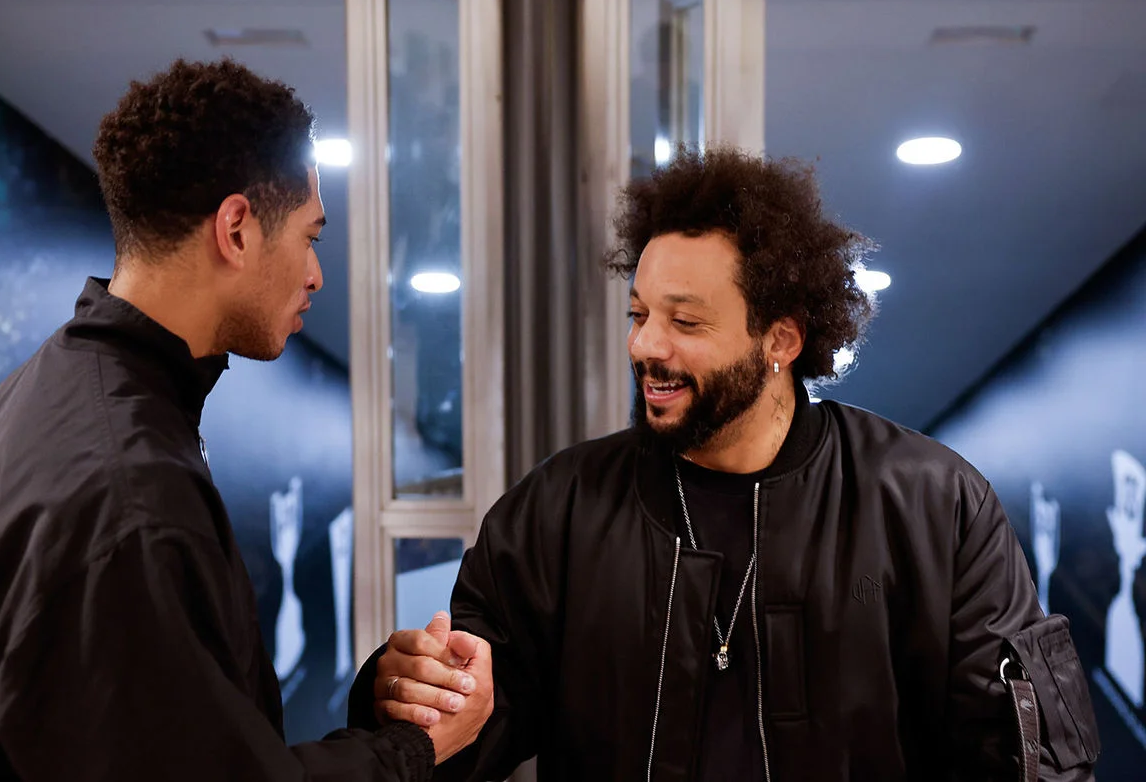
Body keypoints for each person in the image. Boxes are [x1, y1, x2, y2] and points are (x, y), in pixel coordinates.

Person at [350, 146, 1102, 780]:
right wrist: (407, 694)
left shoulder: (935, 505)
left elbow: (1024, 757)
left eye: (685, 322)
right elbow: (468, 726)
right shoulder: (558, 510)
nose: (645, 346)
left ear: (779, 340)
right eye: (639, 315)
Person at [0, 59, 492, 782]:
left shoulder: (40, 396)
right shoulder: (134, 496)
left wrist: (379, 707)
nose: (315, 275)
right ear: (238, 230)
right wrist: (416, 746)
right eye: (310, 237)